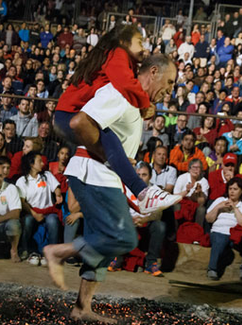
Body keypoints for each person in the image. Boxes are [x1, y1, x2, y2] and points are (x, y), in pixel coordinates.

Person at [44, 54, 176, 323]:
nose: (171, 89)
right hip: (94, 174)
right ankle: (58, 251)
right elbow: (81, 123)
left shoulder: (134, 101)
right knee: (124, 238)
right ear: (153, 72)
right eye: (170, 82)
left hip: (102, 176)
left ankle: (82, 308)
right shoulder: (121, 92)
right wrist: (108, 155)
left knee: (104, 244)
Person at [53, 25, 180, 216]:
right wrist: (145, 104)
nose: (143, 48)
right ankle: (142, 191)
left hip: (73, 125)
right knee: (108, 136)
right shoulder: (118, 58)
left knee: (109, 239)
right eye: (139, 42)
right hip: (69, 118)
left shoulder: (124, 63)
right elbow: (126, 84)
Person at [205, 177, 242, 281]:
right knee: (219, 238)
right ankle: (212, 268)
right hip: (219, 231)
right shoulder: (220, 200)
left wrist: (235, 208)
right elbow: (209, 219)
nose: (232, 191)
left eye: (235, 189)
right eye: (230, 189)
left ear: (241, 191)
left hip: (235, 234)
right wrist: (218, 207)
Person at [16, 151, 62, 265]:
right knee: (27, 221)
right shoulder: (22, 181)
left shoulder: (47, 175)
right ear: (32, 164)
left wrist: (58, 194)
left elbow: (56, 187)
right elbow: (22, 202)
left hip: (49, 211)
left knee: (52, 221)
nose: (42, 163)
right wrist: (34, 214)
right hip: (32, 212)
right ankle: (25, 249)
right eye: (39, 161)